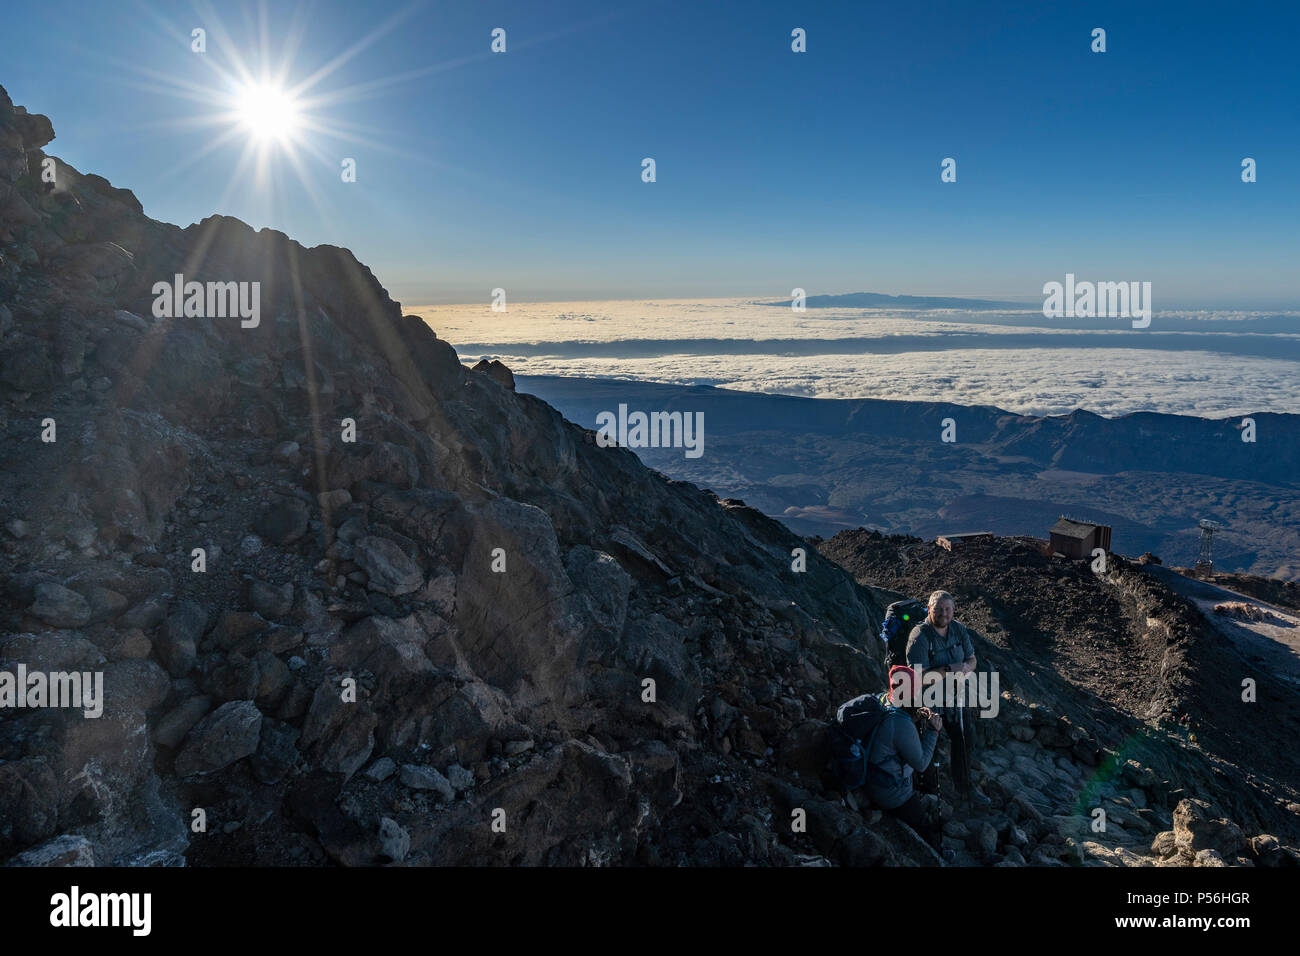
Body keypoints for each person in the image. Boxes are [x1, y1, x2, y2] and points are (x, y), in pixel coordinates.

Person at [905, 590, 991, 807]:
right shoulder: (919, 637)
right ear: (929, 609)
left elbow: (972, 660)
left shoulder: (958, 629)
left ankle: (964, 788)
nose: (943, 613)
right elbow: (919, 677)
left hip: (955, 697)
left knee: (964, 740)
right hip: (927, 700)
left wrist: (965, 668)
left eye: (947, 609)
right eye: (938, 609)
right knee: (928, 746)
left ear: (953, 610)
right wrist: (949, 669)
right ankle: (928, 793)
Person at [863, 665, 946, 854]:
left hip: (874, 775)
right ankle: (937, 854)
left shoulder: (883, 700)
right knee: (922, 824)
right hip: (889, 793)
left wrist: (916, 716)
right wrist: (933, 731)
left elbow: (893, 733)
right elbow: (922, 764)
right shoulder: (900, 724)